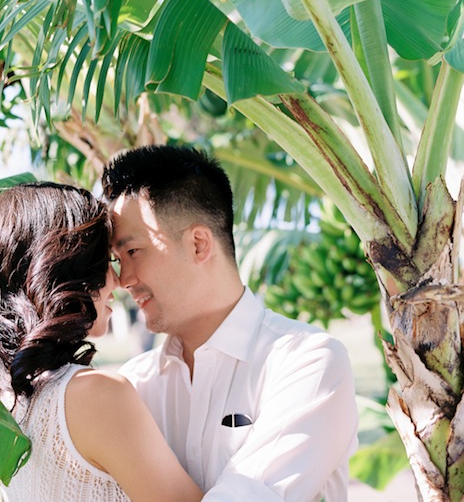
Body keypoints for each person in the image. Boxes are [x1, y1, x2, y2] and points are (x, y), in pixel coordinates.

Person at [102, 145, 359, 502]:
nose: (123, 279)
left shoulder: (307, 362)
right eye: (116, 259)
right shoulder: (133, 386)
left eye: (132, 252)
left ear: (198, 244)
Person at [0, 182, 203, 502]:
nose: (119, 280)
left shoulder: (9, 398)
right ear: (66, 268)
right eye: (107, 259)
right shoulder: (95, 394)